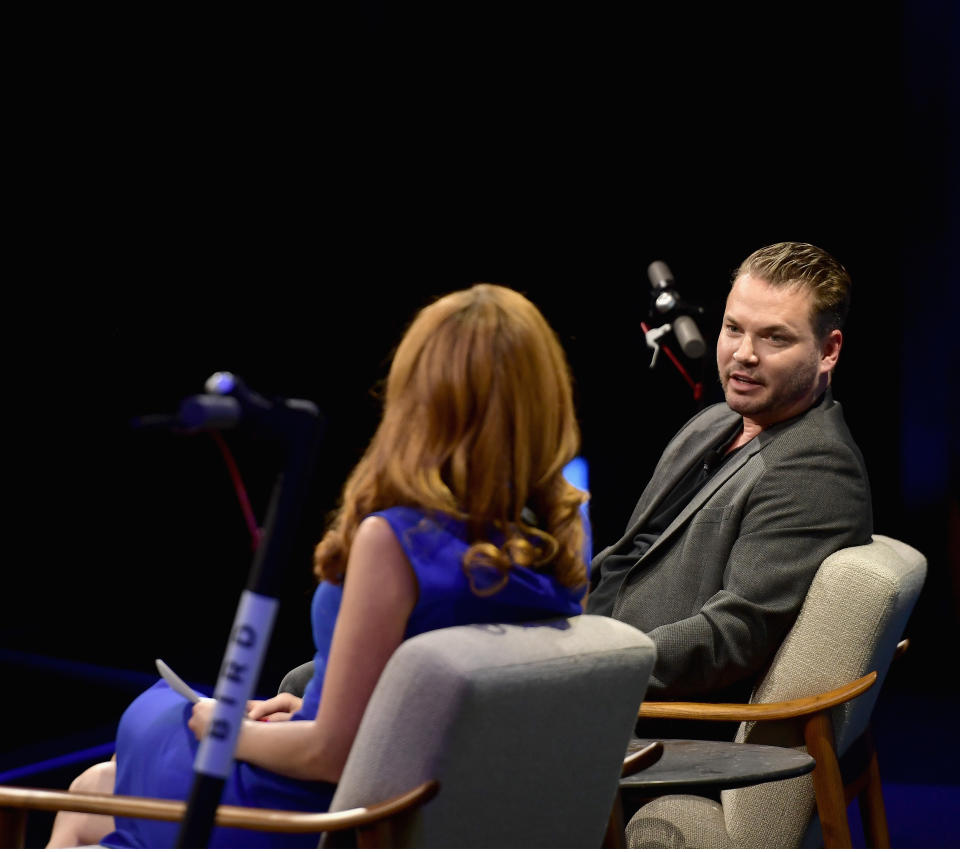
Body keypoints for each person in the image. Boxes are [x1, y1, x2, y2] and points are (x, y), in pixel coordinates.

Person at [49, 283, 589, 848]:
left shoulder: (397, 539)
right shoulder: (558, 536)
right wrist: (312, 706)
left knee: (143, 730)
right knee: (96, 789)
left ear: (422, 396)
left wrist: (227, 731)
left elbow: (331, 754)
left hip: (324, 813)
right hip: (430, 800)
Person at [586, 241, 873, 718]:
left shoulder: (816, 467)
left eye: (774, 338)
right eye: (733, 328)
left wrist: (594, 666)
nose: (744, 354)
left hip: (657, 717)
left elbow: (733, 636)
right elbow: (628, 557)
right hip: (598, 672)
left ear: (828, 350)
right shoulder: (713, 423)